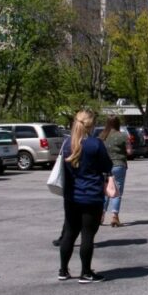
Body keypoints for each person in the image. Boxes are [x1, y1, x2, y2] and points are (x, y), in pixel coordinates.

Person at [59, 110, 115, 283]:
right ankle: (86, 272)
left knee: (69, 233)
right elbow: (107, 165)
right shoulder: (95, 144)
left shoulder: (67, 143)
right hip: (91, 195)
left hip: (71, 196)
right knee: (87, 235)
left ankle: (63, 270)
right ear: (91, 125)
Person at [100, 116, 131, 227]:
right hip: (119, 165)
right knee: (117, 192)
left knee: (105, 191)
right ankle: (114, 216)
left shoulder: (102, 136)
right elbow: (129, 151)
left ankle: (101, 215)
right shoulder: (123, 136)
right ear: (118, 123)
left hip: (105, 166)